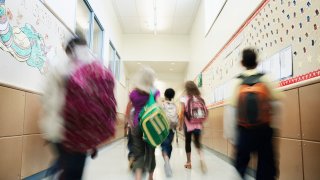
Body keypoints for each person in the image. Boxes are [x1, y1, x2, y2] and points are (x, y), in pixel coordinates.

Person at [40, 37, 116, 180]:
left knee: (69, 167)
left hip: (60, 130)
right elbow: (97, 108)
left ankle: (55, 171)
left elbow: (46, 100)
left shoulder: (60, 68)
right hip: (77, 133)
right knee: (74, 171)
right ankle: (56, 171)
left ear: (67, 50)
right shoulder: (89, 72)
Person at [226, 48, 283, 180]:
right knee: (266, 168)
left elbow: (230, 112)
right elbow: (277, 106)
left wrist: (232, 137)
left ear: (242, 63)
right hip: (264, 130)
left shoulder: (237, 82)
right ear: (257, 62)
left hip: (243, 132)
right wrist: (274, 129)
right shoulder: (266, 79)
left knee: (239, 166)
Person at [125, 67, 160, 180]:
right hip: (151, 126)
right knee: (151, 152)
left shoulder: (134, 93)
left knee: (138, 153)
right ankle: (150, 177)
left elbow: (127, 110)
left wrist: (131, 122)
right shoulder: (155, 92)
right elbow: (159, 107)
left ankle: (138, 177)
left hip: (137, 125)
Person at [179, 81, 207, 173]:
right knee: (198, 143)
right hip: (198, 124)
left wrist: (180, 125)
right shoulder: (200, 98)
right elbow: (204, 112)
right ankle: (202, 158)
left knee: (188, 142)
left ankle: (188, 162)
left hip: (188, 125)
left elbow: (181, 113)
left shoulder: (184, 98)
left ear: (187, 89)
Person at [161, 88, 179, 177]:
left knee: (164, 146)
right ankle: (167, 160)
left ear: (165, 95)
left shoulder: (163, 104)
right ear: (172, 96)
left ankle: (166, 160)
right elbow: (177, 116)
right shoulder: (175, 105)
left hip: (163, 129)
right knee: (169, 146)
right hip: (172, 128)